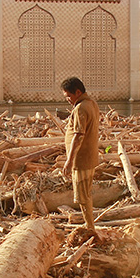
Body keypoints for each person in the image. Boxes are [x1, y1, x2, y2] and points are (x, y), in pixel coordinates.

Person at [60, 76, 100, 234]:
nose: (68, 100)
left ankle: (90, 227)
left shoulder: (81, 108)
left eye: (69, 96)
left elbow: (78, 136)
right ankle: (89, 225)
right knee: (85, 192)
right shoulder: (91, 104)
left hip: (82, 159)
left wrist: (69, 161)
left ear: (77, 92)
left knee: (83, 195)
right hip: (87, 157)